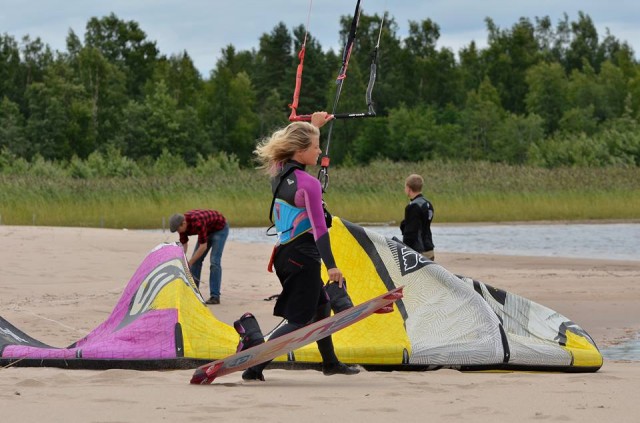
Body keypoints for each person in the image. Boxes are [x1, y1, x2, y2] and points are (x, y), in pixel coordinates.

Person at [243, 111, 359, 381]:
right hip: (304, 256)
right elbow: (320, 229)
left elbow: (292, 139)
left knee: (322, 308)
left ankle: (330, 363)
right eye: (316, 147)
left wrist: (313, 127)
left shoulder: (278, 172)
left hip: (285, 255)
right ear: (300, 150)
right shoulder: (310, 184)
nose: (319, 152)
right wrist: (332, 267)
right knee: (300, 321)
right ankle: (254, 366)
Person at [169, 209, 229, 305]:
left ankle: (215, 296)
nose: (178, 231)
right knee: (196, 261)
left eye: (177, 229)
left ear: (183, 223)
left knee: (214, 261)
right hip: (207, 231)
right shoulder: (181, 226)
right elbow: (184, 245)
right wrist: (181, 260)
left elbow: (203, 246)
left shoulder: (197, 222)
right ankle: (193, 293)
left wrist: (189, 263)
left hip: (220, 229)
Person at [400, 174, 435, 261]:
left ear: (408, 188)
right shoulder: (428, 204)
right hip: (429, 249)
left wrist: (404, 251)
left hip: (417, 252)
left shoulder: (413, 206)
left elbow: (410, 232)